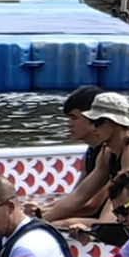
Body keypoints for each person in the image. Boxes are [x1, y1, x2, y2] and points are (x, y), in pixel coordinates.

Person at [39, 92, 129, 228]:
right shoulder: (107, 152)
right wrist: (41, 219)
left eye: (97, 123)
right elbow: (80, 195)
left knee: (66, 224)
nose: (93, 128)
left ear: (113, 123)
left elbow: (113, 212)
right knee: (54, 223)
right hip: (128, 217)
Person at [28, 86, 107, 224]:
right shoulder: (90, 153)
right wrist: (43, 209)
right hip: (94, 216)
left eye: (74, 117)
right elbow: (76, 196)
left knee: (58, 224)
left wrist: (42, 218)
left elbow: (92, 205)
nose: (69, 124)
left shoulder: (112, 152)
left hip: (110, 220)